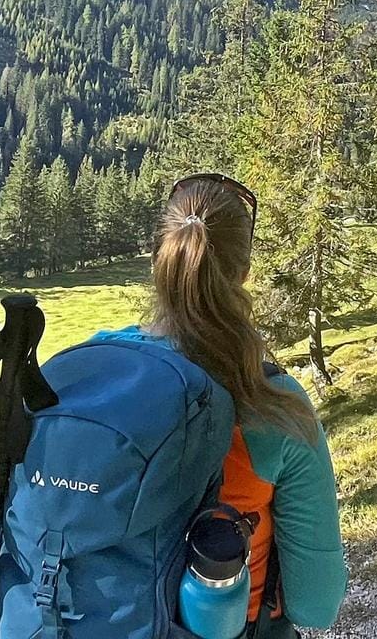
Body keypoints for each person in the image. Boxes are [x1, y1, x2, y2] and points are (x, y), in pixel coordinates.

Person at [142, 172, 347, 636]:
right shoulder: (273, 405)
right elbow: (317, 603)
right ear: (244, 275)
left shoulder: (91, 373)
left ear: (158, 262)